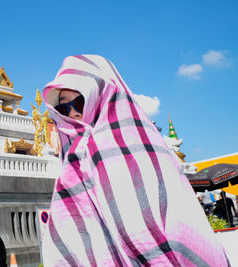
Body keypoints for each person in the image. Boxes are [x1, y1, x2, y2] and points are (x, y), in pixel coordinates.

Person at [41, 55, 229, 266]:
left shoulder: (144, 155)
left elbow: (179, 226)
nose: (73, 114)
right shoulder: (71, 167)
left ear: (102, 95)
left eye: (80, 102)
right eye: (63, 108)